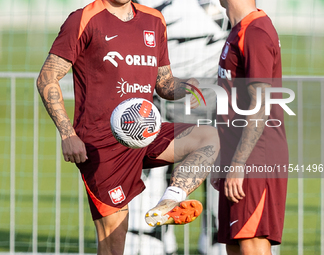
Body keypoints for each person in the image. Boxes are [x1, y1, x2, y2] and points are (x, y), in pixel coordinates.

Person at [36, 0, 220, 254]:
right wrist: (68, 134)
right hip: (101, 145)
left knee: (208, 137)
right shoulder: (83, 19)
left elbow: (163, 84)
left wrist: (187, 86)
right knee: (115, 240)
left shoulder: (154, 20)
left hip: (145, 132)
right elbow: (47, 78)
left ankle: (170, 201)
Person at [213, 0, 289, 254]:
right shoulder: (238, 29)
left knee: (251, 244)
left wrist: (238, 164)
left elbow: (261, 103)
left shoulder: (256, 32)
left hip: (254, 159)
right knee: (235, 246)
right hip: (236, 158)